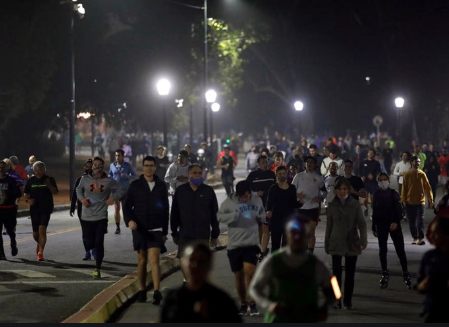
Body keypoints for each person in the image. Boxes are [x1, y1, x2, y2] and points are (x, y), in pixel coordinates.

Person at [249, 218, 334, 323]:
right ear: (287, 235)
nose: (296, 238)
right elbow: (254, 288)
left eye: (300, 234)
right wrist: (269, 305)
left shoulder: (316, 264)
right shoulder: (273, 261)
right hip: (279, 318)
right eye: (293, 234)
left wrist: (324, 308)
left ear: (306, 237)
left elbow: (335, 290)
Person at [124, 156, 169, 305]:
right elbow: (126, 206)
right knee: (142, 260)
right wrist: (130, 220)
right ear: (142, 167)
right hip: (139, 228)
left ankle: (157, 291)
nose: (149, 168)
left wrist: (164, 231)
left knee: (155, 260)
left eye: (151, 165)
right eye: (146, 165)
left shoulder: (161, 186)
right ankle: (142, 290)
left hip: (156, 227)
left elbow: (165, 209)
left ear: (155, 167)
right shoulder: (135, 185)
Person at [160, 243, 242, 323]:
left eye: (201, 261)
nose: (195, 265)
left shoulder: (223, 301)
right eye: (191, 260)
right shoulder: (173, 299)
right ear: (184, 263)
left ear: (209, 265)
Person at [218, 180, 265, 316]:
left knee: (249, 273)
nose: (247, 198)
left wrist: (261, 244)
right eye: (244, 196)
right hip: (234, 245)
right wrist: (233, 216)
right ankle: (243, 303)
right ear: (238, 195)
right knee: (239, 277)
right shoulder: (229, 202)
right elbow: (220, 217)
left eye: (249, 195)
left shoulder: (256, 200)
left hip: (251, 244)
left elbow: (261, 221)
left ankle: (253, 303)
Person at [76, 157, 124, 278]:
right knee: (88, 242)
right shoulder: (84, 179)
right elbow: (78, 189)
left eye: (100, 165)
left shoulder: (109, 181)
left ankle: (97, 268)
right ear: (92, 166)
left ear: (103, 167)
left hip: (101, 216)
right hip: (87, 216)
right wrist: (82, 199)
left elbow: (120, 189)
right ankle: (90, 249)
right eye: (95, 165)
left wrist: (113, 198)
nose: (97, 167)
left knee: (99, 242)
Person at [325, 177, 367, 309]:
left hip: (351, 241)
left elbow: (362, 223)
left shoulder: (354, 204)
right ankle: (337, 299)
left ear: (348, 190)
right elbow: (329, 226)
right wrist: (327, 242)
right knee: (336, 274)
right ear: (336, 190)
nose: (342, 192)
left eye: (345, 189)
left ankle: (348, 300)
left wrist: (363, 239)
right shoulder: (332, 205)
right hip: (336, 241)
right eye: (340, 189)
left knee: (350, 274)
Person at [170, 164, 220, 265]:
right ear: (188, 175)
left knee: (201, 263)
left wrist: (215, 233)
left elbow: (214, 214)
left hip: (203, 235)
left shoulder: (208, 191)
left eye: (199, 173)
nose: (197, 175)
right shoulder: (180, 191)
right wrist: (174, 232)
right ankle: (186, 280)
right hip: (185, 235)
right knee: (184, 261)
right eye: (194, 173)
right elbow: (174, 213)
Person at [372, 173, 411, 289]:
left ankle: (406, 273)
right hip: (381, 225)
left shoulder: (393, 193)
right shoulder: (376, 194)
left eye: (385, 180)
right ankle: (384, 273)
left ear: (388, 181)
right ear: (378, 181)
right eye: (380, 180)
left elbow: (400, 210)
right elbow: (375, 210)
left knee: (400, 250)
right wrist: (374, 226)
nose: (383, 182)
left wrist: (395, 221)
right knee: (382, 250)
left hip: (394, 224)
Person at [24, 161, 58, 261]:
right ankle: (39, 243)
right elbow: (26, 193)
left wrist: (49, 185)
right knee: (35, 234)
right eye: (37, 169)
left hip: (46, 208)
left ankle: (40, 252)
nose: (39, 171)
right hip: (34, 209)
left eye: (41, 169)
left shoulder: (49, 179)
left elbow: (55, 192)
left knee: (42, 230)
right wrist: (28, 200)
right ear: (34, 170)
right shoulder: (31, 181)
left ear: (44, 169)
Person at [417, 216, 449, 323]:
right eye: (431, 232)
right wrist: (423, 285)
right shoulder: (429, 256)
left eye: (436, 233)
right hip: (433, 310)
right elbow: (420, 284)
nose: (431, 236)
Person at [292, 156, 324, 253]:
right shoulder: (298, 176)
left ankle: (310, 253)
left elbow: (324, 191)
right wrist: (297, 194)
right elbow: (291, 190)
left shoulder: (319, 178)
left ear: (315, 165)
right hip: (300, 208)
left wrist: (320, 198)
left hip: (312, 208)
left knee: (311, 232)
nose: (309, 164)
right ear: (305, 164)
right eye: (307, 162)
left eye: (311, 162)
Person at [246, 155, 276, 258]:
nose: (264, 163)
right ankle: (262, 247)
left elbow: (276, 188)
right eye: (262, 162)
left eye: (266, 161)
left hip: (268, 206)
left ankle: (263, 251)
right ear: (258, 163)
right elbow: (245, 190)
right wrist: (255, 193)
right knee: (258, 229)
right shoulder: (253, 175)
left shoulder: (271, 174)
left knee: (266, 228)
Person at [401, 156, 434, 245]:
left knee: (420, 221)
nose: (418, 163)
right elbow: (404, 188)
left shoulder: (422, 174)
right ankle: (415, 237)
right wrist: (403, 200)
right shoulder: (407, 174)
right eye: (416, 162)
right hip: (409, 202)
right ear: (412, 162)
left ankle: (420, 238)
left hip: (420, 201)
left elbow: (428, 187)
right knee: (411, 222)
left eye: (419, 162)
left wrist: (430, 200)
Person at [266, 166, 298, 252]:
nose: (282, 175)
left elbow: (294, 204)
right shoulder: (273, 188)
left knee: (286, 245)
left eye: (283, 173)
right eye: (279, 174)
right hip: (276, 220)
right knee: (275, 245)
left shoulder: (292, 188)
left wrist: (301, 202)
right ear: (276, 175)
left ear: (287, 174)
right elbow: (268, 203)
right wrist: (268, 211)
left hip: (289, 220)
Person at [70, 159, 94, 260]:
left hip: (94, 210)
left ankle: (95, 250)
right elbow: (75, 194)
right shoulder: (80, 179)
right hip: (82, 209)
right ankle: (87, 251)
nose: (88, 168)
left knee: (93, 231)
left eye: (90, 166)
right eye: (86, 166)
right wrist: (72, 207)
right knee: (85, 231)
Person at [109, 149, 136, 235]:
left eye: (119, 155)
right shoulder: (112, 165)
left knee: (125, 209)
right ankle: (117, 227)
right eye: (116, 155)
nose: (117, 157)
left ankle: (129, 223)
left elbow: (135, 176)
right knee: (117, 208)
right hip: (115, 190)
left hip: (125, 191)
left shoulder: (128, 165)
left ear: (123, 156)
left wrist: (127, 176)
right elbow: (110, 175)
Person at [0, 160, 22, 260]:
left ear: (6, 169)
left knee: (10, 231)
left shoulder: (11, 180)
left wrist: (8, 195)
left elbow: (18, 193)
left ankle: (13, 244)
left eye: (3, 167)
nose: (1, 169)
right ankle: (2, 254)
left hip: (9, 210)